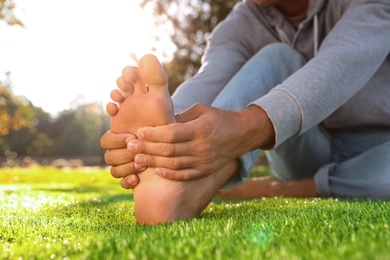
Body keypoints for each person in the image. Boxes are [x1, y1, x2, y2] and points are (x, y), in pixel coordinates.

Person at [100, 0, 390, 225]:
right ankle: (195, 183)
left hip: (380, 152)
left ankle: (292, 188)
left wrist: (246, 126)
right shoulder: (240, 24)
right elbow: (210, 79)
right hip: (304, 151)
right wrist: (162, 138)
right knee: (277, 57)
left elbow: (342, 62)